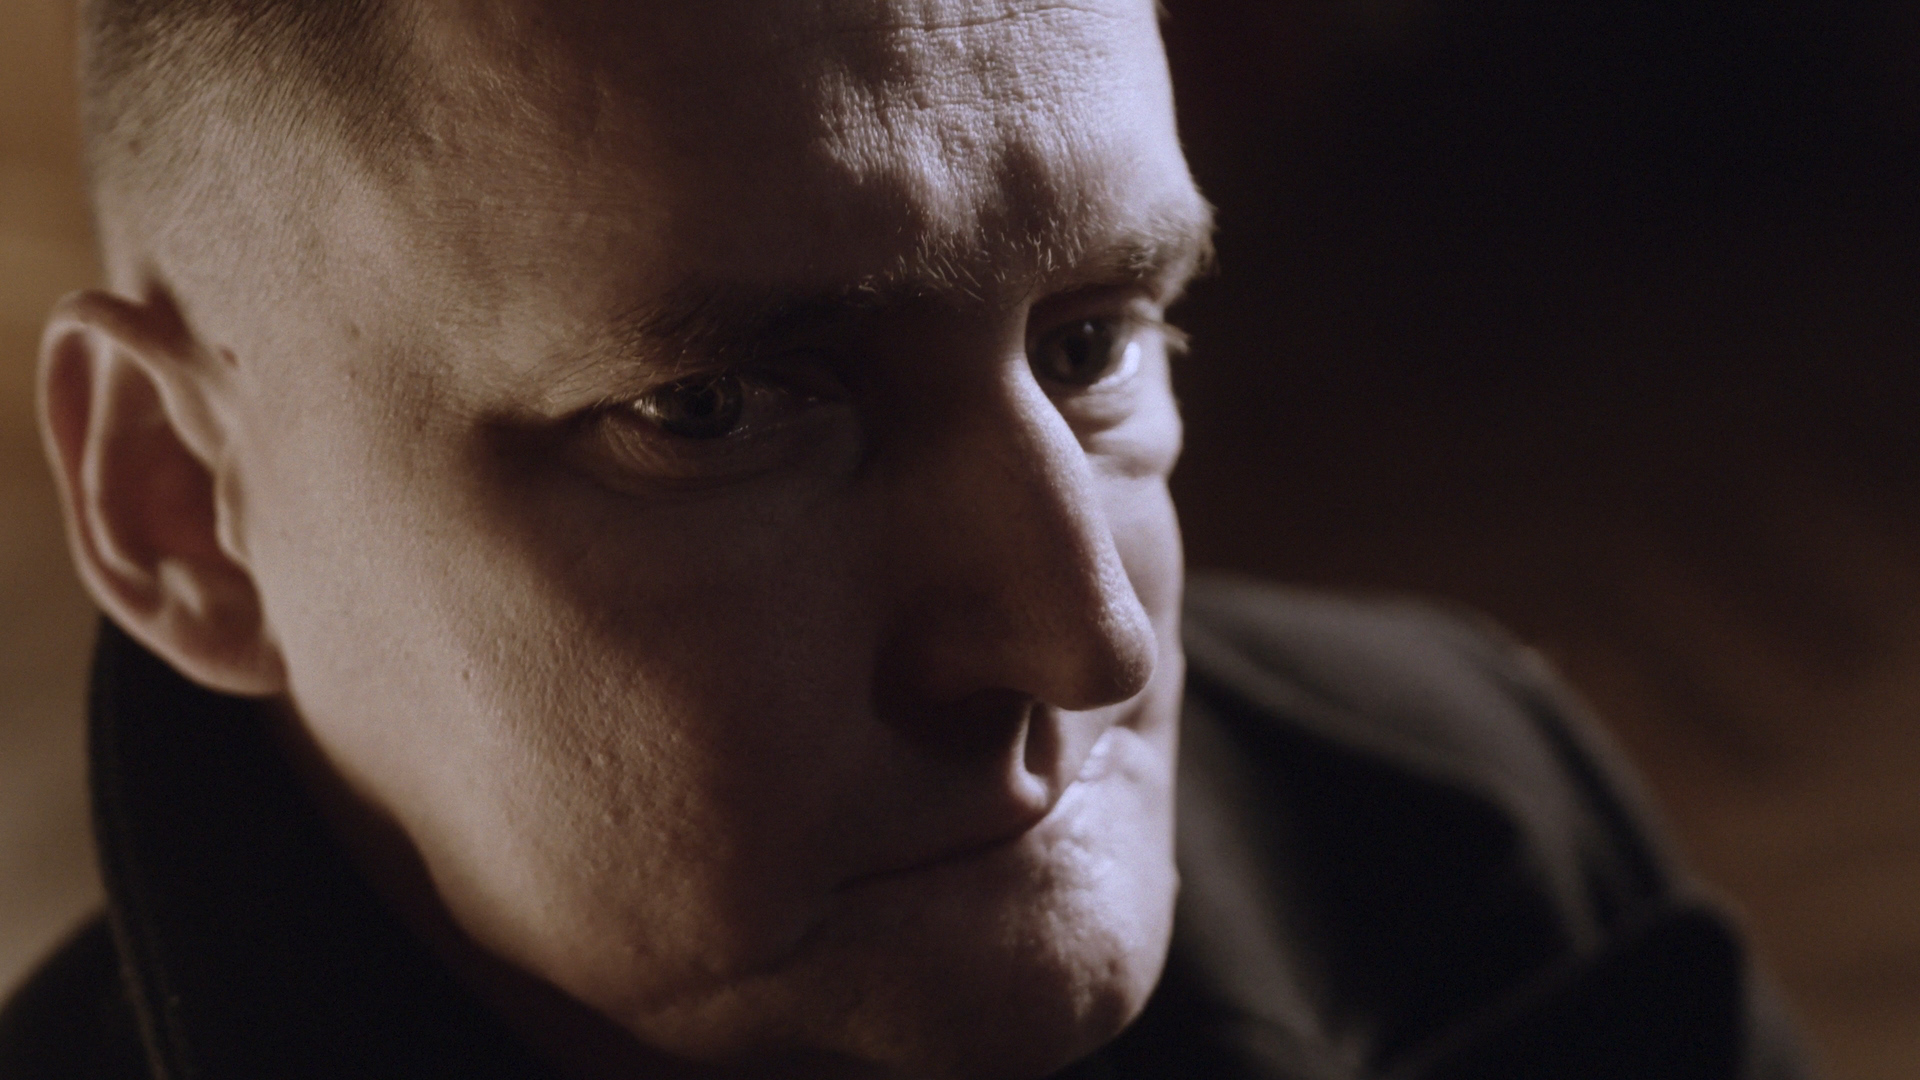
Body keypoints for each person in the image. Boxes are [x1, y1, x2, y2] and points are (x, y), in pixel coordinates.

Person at [0, 1, 1808, 1077]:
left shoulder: (1464, 814)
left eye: (1095, 342)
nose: (1088, 643)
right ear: (186, 512)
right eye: (712, 410)